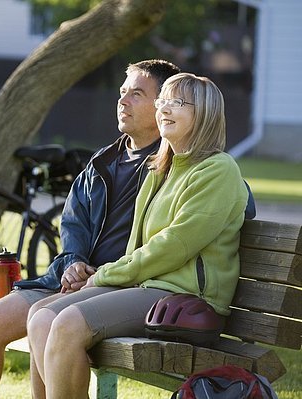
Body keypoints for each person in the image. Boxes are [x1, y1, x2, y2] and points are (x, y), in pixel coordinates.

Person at [0, 59, 182, 399]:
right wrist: (74, 261)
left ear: (163, 103)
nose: (123, 101)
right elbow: (73, 221)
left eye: (136, 94)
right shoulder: (102, 163)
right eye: (123, 92)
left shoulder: (175, 164)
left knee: (43, 319)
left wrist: (97, 274)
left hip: (119, 286)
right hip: (69, 279)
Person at [26, 72, 250, 399]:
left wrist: (107, 273)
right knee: (40, 316)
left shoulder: (217, 170)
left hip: (185, 299)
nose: (164, 109)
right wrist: (102, 277)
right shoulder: (160, 170)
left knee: (67, 323)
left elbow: (175, 245)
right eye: (162, 101)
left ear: (203, 113)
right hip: (147, 287)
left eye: (177, 102)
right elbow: (137, 244)